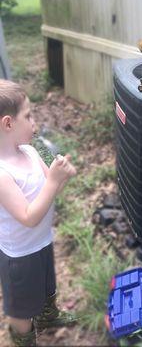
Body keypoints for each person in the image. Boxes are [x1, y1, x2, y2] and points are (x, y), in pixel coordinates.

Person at [0, 79, 77, 346]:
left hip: (42, 241)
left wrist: (61, 174)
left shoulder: (31, 152)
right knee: (20, 308)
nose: (35, 122)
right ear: (8, 123)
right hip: (19, 255)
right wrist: (55, 181)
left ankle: (47, 315)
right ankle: (23, 339)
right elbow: (28, 217)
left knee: (47, 284)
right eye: (29, 116)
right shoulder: (2, 173)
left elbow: (49, 187)